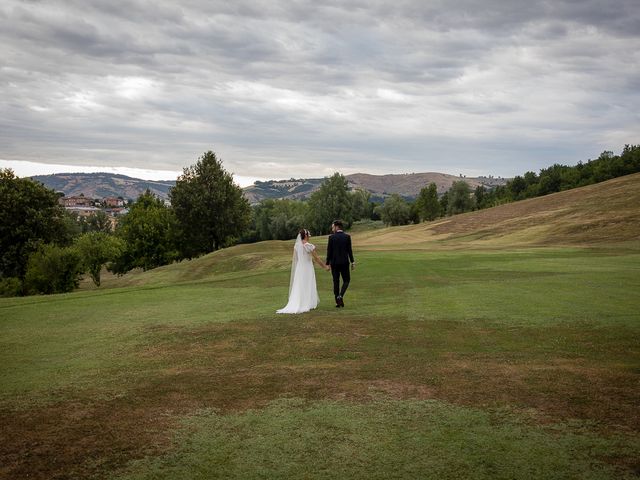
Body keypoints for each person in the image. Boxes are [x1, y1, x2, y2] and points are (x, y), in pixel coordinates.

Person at [277, 229, 330, 314]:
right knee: (307, 283)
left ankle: (302, 302)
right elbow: (316, 258)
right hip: (307, 268)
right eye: (308, 235)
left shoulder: (297, 245)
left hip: (300, 268)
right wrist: (325, 266)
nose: (309, 237)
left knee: (300, 284)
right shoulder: (309, 245)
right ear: (306, 236)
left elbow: (296, 258)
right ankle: (306, 303)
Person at [325, 220, 355, 308]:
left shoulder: (331, 237)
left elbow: (329, 252)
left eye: (333, 227)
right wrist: (352, 261)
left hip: (334, 263)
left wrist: (327, 263)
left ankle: (337, 301)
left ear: (337, 227)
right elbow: (350, 251)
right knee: (346, 280)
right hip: (344, 262)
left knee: (336, 281)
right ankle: (340, 296)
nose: (332, 228)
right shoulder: (347, 237)